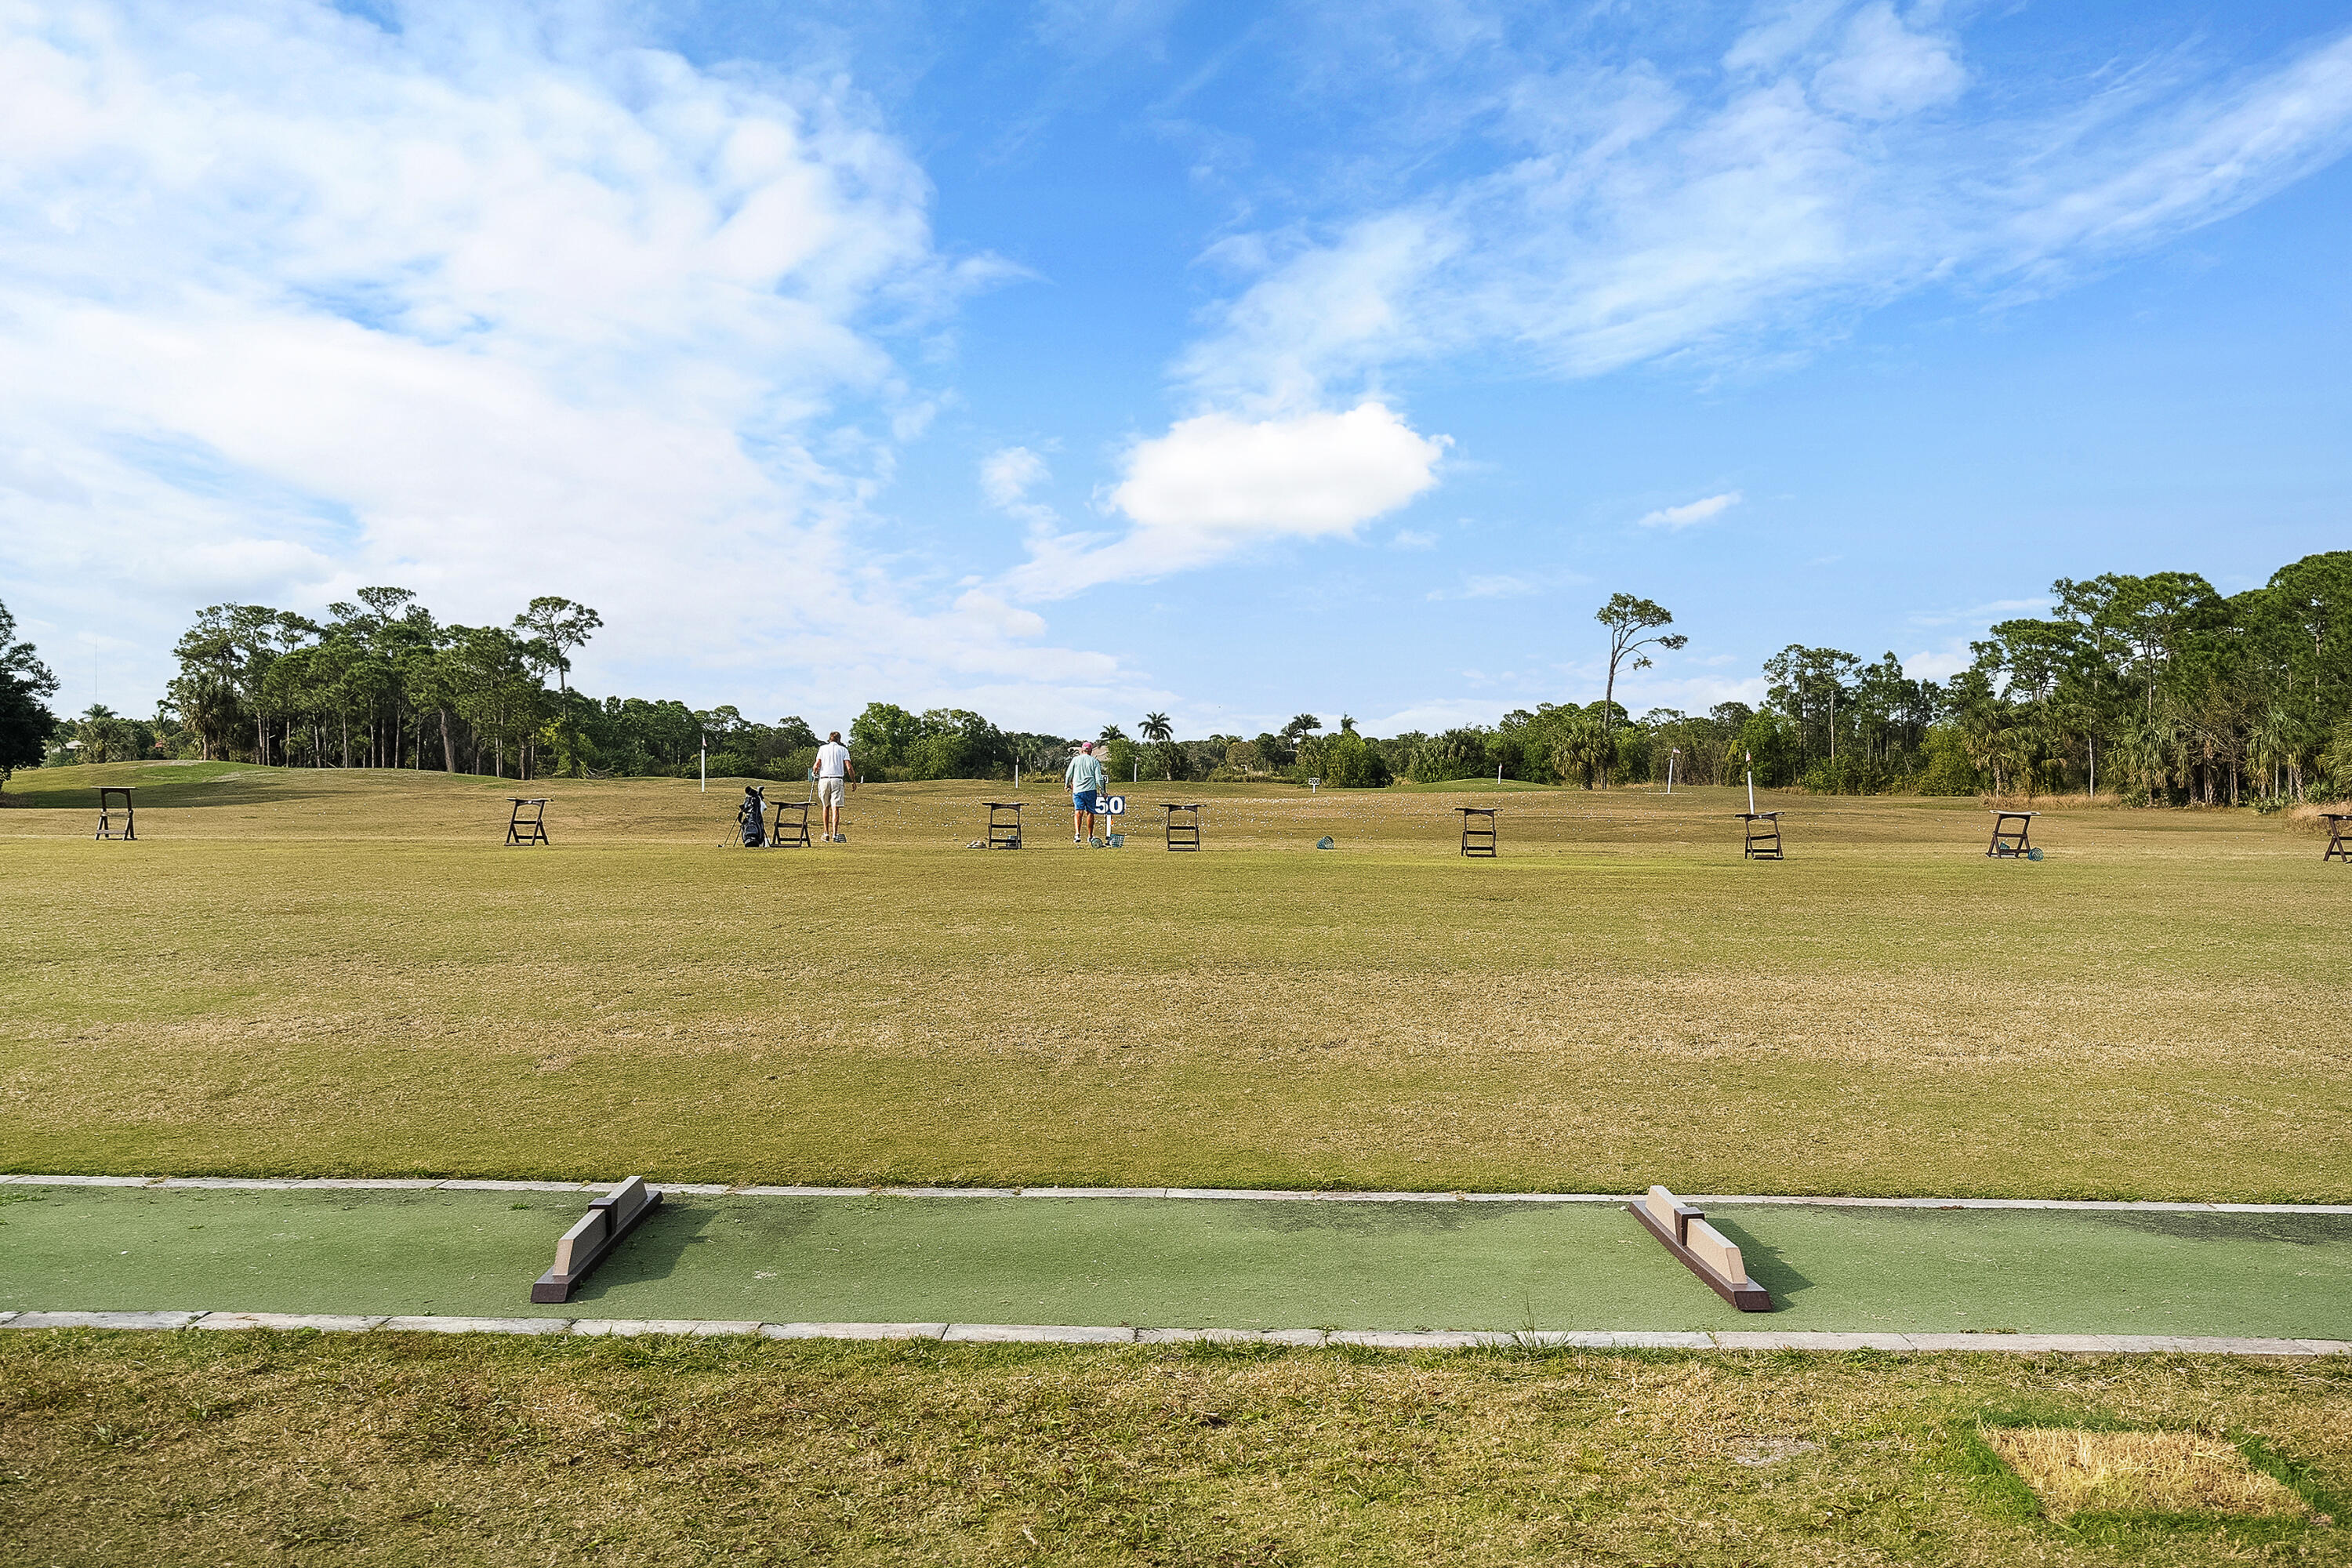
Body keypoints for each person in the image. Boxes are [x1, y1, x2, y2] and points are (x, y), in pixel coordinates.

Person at [813, 730, 855, 842]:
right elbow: (849, 767)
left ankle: (826, 833)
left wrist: (815, 772)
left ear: (829, 739)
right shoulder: (843, 750)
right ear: (839, 740)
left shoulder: (822, 748)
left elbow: (817, 765)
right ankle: (835, 835)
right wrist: (854, 781)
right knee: (835, 808)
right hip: (837, 780)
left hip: (824, 780)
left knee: (825, 806)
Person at [1065, 739, 1107, 844]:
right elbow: (1099, 778)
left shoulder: (1075, 760)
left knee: (1078, 812)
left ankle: (1077, 835)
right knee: (1090, 813)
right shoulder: (1094, 761)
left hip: (1078, 790)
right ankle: (1090, 836)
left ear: (1082, 750)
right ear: (1091, 751)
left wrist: (1067, 784)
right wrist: (1103, 791)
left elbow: (1068, 774)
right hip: (1091, 790)